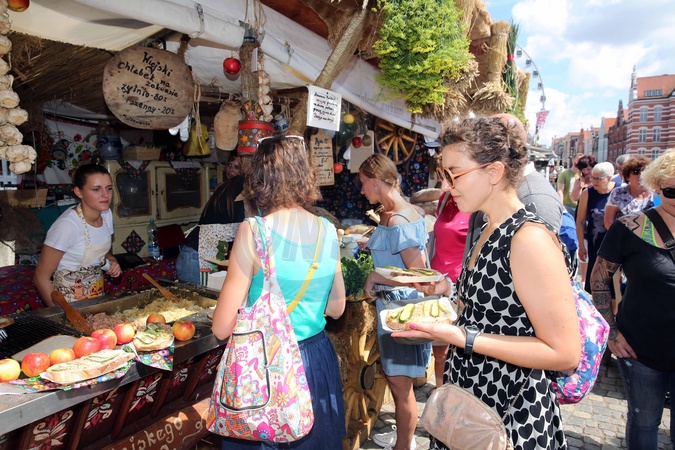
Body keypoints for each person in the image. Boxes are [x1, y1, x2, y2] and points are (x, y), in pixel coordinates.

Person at [394, 117, 580, 450]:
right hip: (471, 399)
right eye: (444, 174)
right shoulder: (488, 226)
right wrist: (448, 290)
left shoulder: (528, 239)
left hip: (510, 411)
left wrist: (461, 337)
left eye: (454, 173)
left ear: (493, 172)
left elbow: (564, 354)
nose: (446, 185)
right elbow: (495, 308)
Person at [211, 135, 346, 449]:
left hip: (267, 368)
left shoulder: (253, 231)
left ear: (259, 179)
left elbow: (221, 327)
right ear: (305, 175)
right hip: (315, 362)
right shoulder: (327, 230)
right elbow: (336, 308)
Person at [590, 149, 675, 449]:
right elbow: (599, 279)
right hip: (640, 350)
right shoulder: (630, 228)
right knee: (644, 423)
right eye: (671, 191)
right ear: (657, 186)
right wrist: (611, 333)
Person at [360, 153, 431, 450]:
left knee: (401, 390)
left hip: (399, 312)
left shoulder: (399, 218)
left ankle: (404, 445)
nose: (362, 190)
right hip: (394, 307)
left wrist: (376, 276)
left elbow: (421, 276)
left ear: (376, 182)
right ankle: (404, 438)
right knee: (398, 383)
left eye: (364, 183)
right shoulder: (399, 212)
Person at [34, 163, 122, 305]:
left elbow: (103, 251)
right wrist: (61, 313)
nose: (105, 195)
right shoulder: (67, 226)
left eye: (109, 188)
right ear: (79, 192)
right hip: (68, 302)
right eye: (96, 189)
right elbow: (41, 278)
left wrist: (112, 261)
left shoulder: (106, 214)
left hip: (96, 296)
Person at [429, 190, 470, 388]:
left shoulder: (475, 204)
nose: (444, 183)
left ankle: (455, 393)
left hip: (459, 287)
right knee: (439, 352)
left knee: (458, 351)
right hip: (436, 282)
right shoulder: (445, 198)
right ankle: (441, 393)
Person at [176, 173, 245, 284]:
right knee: (199, 295)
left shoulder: (236, 185)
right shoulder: (244, 186)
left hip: (200, 253)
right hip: (197, 256)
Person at [576, 162, 616, 292]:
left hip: (616, 245)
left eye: (598, 179)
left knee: (615, 286)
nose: (594, 181)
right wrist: (581, 246)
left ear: (609, 178)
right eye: (593, 177)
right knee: (596, 284)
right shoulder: (588, 193)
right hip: (595, 245)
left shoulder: (619, 191)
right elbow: (580, 221)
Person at [604, 156, 653, 230]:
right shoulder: (618, 193)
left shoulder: (658, 193)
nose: (640, 175)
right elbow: (608, 221)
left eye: (644, 171)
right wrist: (618, 235)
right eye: (636, 172)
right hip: (624, 235)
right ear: (627, 176)